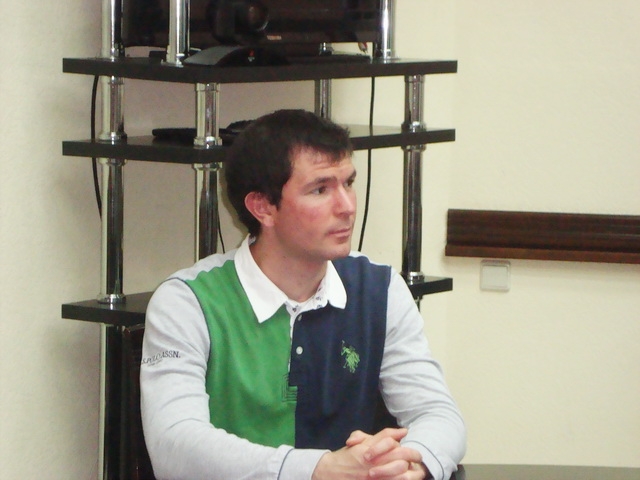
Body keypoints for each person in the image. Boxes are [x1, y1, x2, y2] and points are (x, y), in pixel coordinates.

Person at [140, 109, 466, 480]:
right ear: (262, 207)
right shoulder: (187, 302)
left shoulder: (380, 289)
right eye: (320, 190)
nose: (347, 207)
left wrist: (410, 463)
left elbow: (438, 414)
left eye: (348, 183)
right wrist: (318, 469)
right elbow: (174, 445)